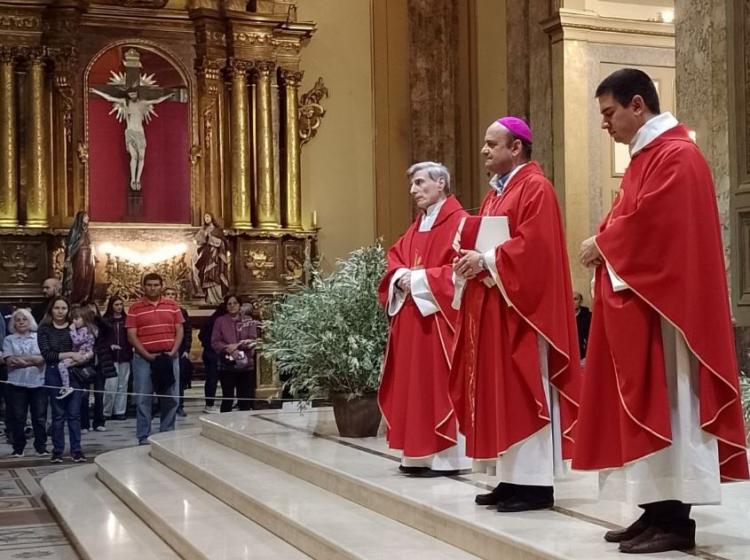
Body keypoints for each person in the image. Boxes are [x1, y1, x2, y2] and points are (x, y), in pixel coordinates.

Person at [574, 68, 749, 554]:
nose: (605, 124)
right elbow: (631, 219)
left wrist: (603, 243)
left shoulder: (678, 157)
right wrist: (608, 242)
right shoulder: (645, 159)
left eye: (609, 113)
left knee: (675, 408)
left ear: (637, 105)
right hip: (647, 310)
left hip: (674, 320)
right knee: (650, 408)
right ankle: (654, 512)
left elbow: (656, 227)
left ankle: (677, 521)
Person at [451, 116, 581, 512]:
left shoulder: (535, 188)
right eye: (485, 144)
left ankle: (536, 485)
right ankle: (510, 479)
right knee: (498, 392)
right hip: (497, 306)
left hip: (524, 312)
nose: (484, 151)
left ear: (517, 147)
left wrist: (486, 258)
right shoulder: (496, 193)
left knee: (526, 390)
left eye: (492, 144)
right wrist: (468, 256)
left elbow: (534, 250)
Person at [378, 161, 470, 477]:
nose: (413, 191)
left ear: (441, 183)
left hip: (440, 323)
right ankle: (417, 456)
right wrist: (401, 276)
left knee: (439, 386)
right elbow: (396, 258)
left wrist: (416, 280)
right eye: (413, 185)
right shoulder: (418, 224)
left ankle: (449, 458)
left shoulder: (460, 223)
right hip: (412, 322)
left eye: (420, 183)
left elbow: (461, 273)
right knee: (413, 388)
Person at [126, 273, 183, 445]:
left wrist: (173, 351)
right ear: (143, 286)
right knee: (144, 398)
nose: (152, 288)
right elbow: (131, 335)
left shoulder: (172, 305)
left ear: (161, 286)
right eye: (149, 285)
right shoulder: (135, 308)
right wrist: (147, 354)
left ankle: (167, 433)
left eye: (156, 285)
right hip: (144, 358)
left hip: (168, 356)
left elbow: (179, 329)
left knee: (171, 397)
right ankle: (144, 436)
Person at [90, 86, 173, 191]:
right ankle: (133, 180)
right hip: (130, 132)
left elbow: (157, 100)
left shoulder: (142, 103)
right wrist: (96, 91)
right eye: (130, 94)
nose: (132, 95)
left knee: (141, 157)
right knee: (134, 157)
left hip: (140, 133)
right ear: (128, 95)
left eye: (134, 93)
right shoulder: (125, 102)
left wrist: (168, 95)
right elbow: (110, 98)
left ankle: (138, 179)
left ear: (137, 94)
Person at [38, 296, 89, 463]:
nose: (60, 311)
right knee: (58, 415)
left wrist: (83, 356)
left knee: (74, 414)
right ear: (51, 310)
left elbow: (86, 346)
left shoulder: (75, 328)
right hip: (54, 373)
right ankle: (58, 450)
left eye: (63, 308)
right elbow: (48, 355)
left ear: (68, 311)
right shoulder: (44, 329)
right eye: (57, 308)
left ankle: (77, 450)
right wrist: (70, 354)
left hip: (74, 372)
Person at [3, 308, 47, 458]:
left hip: (38, 383)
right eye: (18, 320)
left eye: (24, 319)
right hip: (16, 384)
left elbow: (41, 360)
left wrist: (23, 360)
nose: (21, 322)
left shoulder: (38, 337)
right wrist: (31, 360)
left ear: (30, 321)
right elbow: (10, 361)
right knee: (18, 417)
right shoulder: (9, 340)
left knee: (39, 417)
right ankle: (18, 447)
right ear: (13, 323)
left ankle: (41, 447)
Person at [211, 294, 257, 412]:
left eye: (235, 303)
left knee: (245, 399)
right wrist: (228, 348)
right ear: (226, 306)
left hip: (245, 365)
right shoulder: (220, 321)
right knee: (227, 397)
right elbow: (215, 342)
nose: (232, 306)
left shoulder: (248, 321)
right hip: (227, 365)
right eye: (229, 304)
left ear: (240, 305)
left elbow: (253, 339)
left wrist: (238, 346)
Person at [55, 305, 96, 400]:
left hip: (83, 354)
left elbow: (77, 341)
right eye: (73, 319)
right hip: (82, 354)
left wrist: (72, 331)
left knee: (62, 365)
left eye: (77, 319)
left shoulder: (85, 330)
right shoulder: (85, 329)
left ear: (84, 318)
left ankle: (66, 386)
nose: (74, 321)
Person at [102, 294, 132, 420]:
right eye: (116, 305)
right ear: (111, 306)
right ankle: (106, 411)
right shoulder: (105, 320)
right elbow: (101, 338)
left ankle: (119, 411)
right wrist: (110, 345)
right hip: (110, 357)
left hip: (125, 356)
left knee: (122, 385)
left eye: (121, 305)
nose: (119, 307)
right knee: (110, 385)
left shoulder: (127, 320)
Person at [163, 287, 192, 418]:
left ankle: (179, 405)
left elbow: (187, 332)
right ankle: (162, 406)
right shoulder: (160, 310)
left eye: (172, 294)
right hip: (163, 349)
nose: (170, 296)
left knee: (178, 379)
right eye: (167, 294)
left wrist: (186, 349)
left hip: (179, 350)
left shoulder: (182, 312)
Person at [193, 213, 230, 306]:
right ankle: (209, 298)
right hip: (205, 255)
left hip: (215, 257)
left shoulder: (217, 230)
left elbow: (222, 242)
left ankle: (218, 297)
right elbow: (198, 242)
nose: (206, 218)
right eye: (205, 217)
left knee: (215, 275)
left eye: (208, 216)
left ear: (212, 218)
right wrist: (203, 237)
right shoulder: (202, 230)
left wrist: (211, 238)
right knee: (205, 274)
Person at [62, 211, 95, 305]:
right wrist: (69, 256)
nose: (88, 218)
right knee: (79, 277)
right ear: (81, 218)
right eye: (85, 217)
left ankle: (85, 297)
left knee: (87, 278)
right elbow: (71, 245)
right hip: (79, 258)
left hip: (88, 258)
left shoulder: (86, 231)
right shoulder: (75, 230)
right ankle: (76, 298)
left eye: (88, 217)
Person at [199, 305, 222, 414]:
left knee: (211, 379)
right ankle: (210, 404)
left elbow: (200, 335)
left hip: (208, 352)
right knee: (213, 379)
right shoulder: (219, 321)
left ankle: (209, 404)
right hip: (214, 353)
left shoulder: (211, 319)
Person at [573, 292, 591, 359]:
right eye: (570, 299)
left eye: (575, 299)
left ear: (580, 301)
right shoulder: (563, 316)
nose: (572, 302)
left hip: (583, 355)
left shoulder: (588, 316)